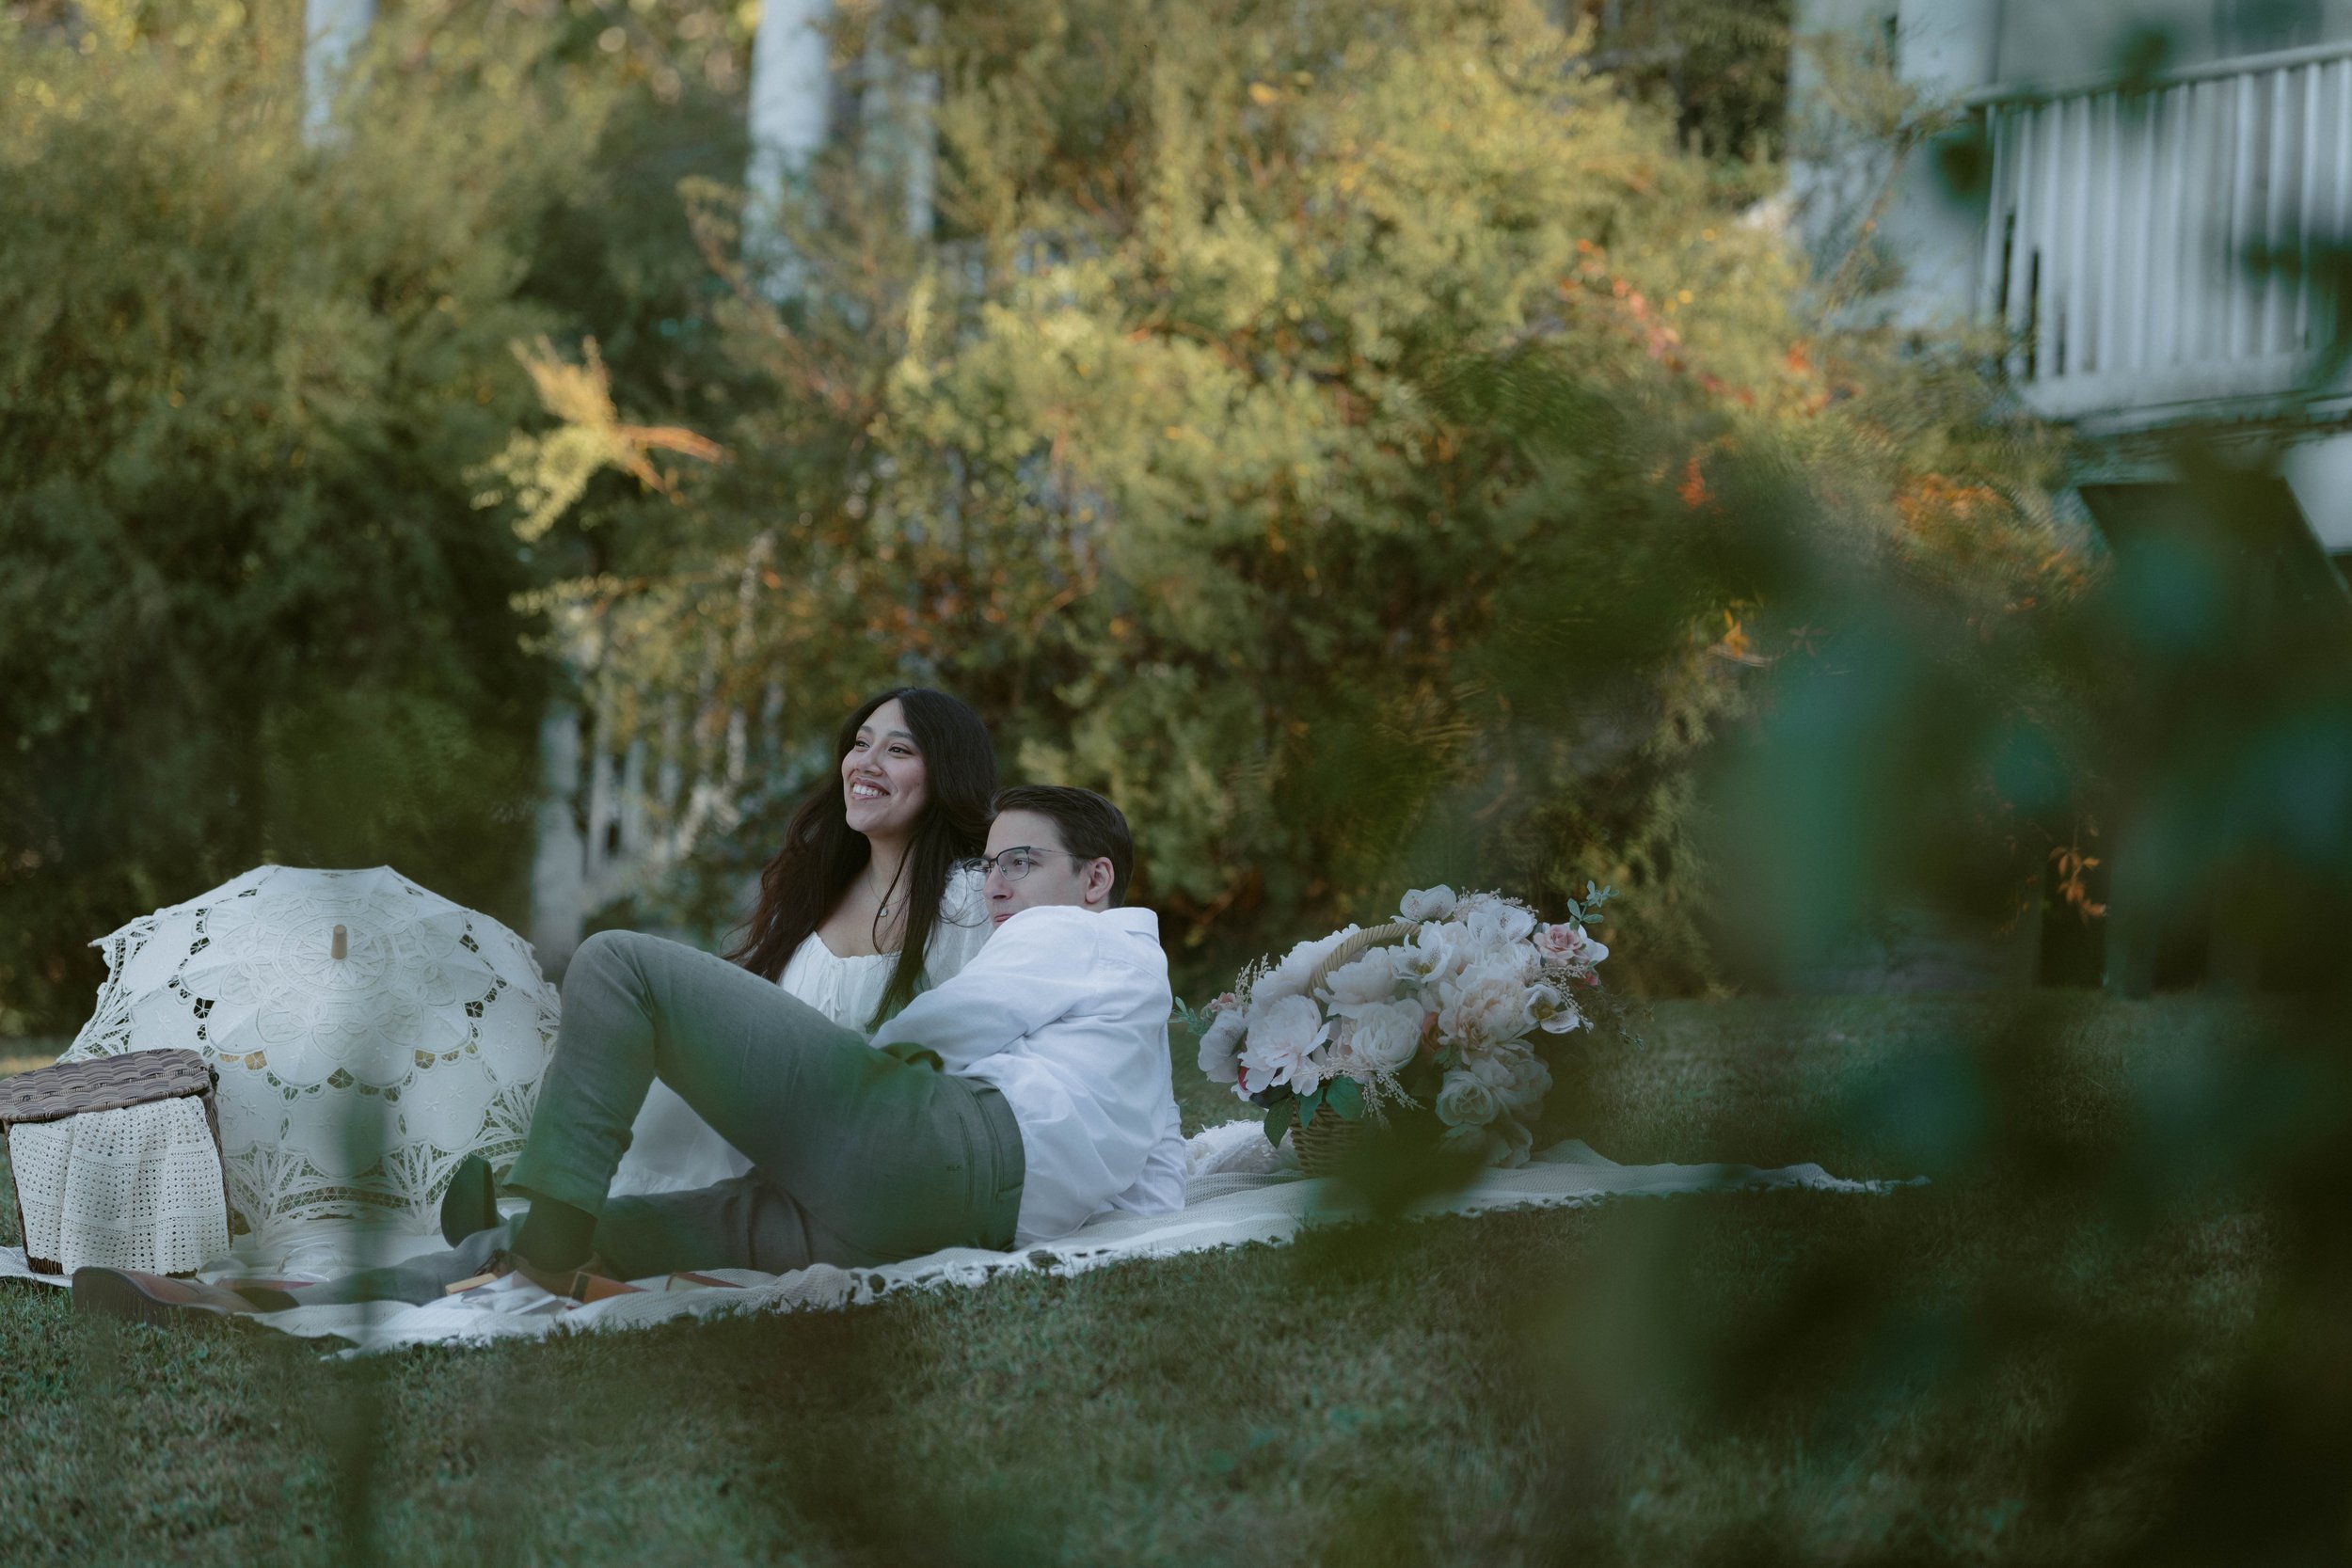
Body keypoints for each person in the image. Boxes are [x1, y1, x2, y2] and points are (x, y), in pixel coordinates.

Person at [71, 784, 1187, 1318]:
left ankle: (534, 1225)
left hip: (922, 1143)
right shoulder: (1132, 1011)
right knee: (605, 1233)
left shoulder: (1080, 937)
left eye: (1021, 862)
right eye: (990, 863)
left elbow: (951, 1024)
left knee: (619, 967)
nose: (997, 883)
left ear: (1094, 878)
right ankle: (295, 1297)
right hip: (919, 1218)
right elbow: (1159, 1179)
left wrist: (851, 1074)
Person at [610, 686, 997, 1197]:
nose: (866, 763)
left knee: (613, 961)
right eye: (861, 744)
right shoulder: (813, 889)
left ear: (947, 774)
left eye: (898, 750)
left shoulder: (968, 898)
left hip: (876, 1165)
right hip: (755, 1151)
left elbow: (982, 1051)